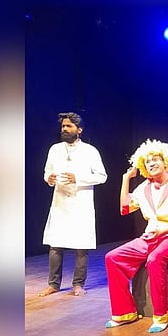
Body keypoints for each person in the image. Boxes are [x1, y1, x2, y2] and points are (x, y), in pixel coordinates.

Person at [104, 139, 168, 333]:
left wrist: (163, 231)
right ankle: (124, 313)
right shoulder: (143, 188)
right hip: (150, 237)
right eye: (147, 162)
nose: (152, 164)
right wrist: (126, 179)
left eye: (155, 159)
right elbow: (124, 208)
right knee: (112, 257)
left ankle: (161, 315)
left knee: (155, 259)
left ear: (165, 161)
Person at [39, 112, 107, 297]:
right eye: (63, 126)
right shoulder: (55, 149)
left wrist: (78, 178)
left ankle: (78, 284)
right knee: (55, 244)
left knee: (81, 245)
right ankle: (53, 284)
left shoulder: (90, 151)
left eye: (68, 126)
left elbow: (102, 176)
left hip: (80, 204)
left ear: (79, 129)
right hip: (60, 203)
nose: (64, 129)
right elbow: (47, 172)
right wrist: (49, 178)